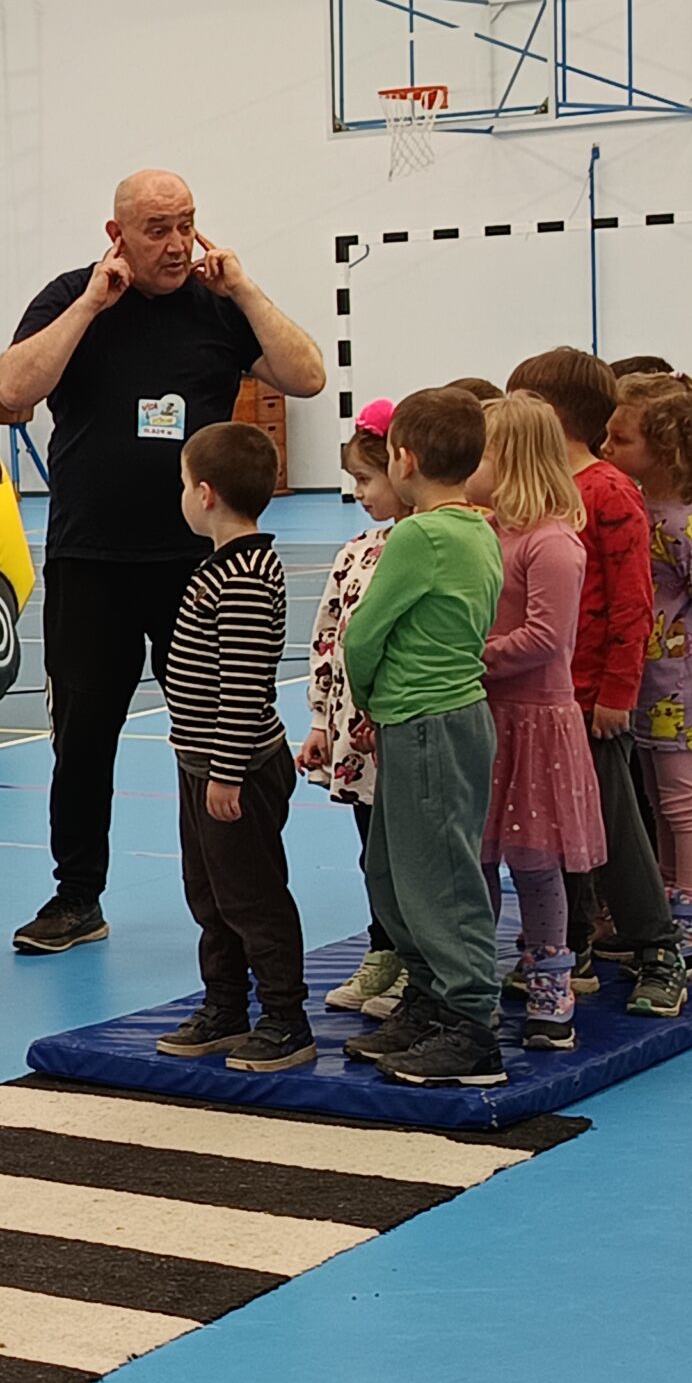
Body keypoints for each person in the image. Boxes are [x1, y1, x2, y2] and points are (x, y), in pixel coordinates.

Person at [0, 169, 327, 955]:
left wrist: (244, 290)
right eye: (157, 229)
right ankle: (77, 897)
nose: (176, 244)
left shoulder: (218, 306)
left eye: (186, 224)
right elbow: (12, 388)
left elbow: (307, 376)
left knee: (219, 734)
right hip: (91, 559)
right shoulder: (71, 297)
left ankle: (233, 896)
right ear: (117, 236)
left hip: (199, 567)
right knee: (83, 738)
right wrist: (90, 305)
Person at [333, 388, 507, 1089]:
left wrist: (368, 699)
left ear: (403, 460)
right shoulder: (479, 528)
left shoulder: (421, 536)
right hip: (428, 720)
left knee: (439, 878)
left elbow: (364, 634)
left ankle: (471, 1023)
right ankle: (431, 999)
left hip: (429, 720)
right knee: (392, 869)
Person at [508, 348, 686, 1015]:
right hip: (541, 699)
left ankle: (658, 948)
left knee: (613, 826)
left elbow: (633, 601)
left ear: (551, 416)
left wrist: (617, 691)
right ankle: (572, 940)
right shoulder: (537, 495)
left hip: (590, 699)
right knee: (552, 829)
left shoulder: (607, 491)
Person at [154, 423, 313, 1071]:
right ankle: (225, 1005)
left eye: (183, 484)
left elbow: (244, 685)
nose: (182, 497)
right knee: (209, 893)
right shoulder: (221, 565)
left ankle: (285, 1018)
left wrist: (227, 773)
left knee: (252, 897)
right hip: (201, 763)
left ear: (206, 494)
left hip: (236, 769)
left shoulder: (243, 575)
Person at [604, 374, 692, 996]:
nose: (607, 448)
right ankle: (667, 907)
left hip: (684, 684)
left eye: (621, 440)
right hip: (651, 680)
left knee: (685, 802)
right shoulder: (643, 511)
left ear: (663, 450)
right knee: (660, 800)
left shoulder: (684, 522)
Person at [470, 395, 605, 1049]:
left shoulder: (552, 543)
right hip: (485, 717)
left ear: (511, 461)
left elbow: (546, 638)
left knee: (534, 859)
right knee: (477, 854)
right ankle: (474, 978)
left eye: (481, 455)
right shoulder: (484, 533)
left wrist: (471, 657)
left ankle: (551, 978)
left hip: (534, 723)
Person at [305, 399, 405, 1018]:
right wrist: (321, 720)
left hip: (404, 729)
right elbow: (327, 637)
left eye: (368, 480)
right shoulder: (356, 551)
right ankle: (384, 949)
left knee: (411, 854)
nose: (360, 494)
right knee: (373, 853)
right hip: (355, 736)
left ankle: (417, 960)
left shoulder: (424, 547)